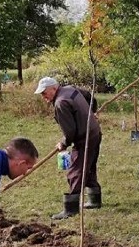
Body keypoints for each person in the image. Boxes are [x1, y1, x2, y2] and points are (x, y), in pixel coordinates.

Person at [34, 76, 102, 220]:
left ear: (54, 88)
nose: (43, 97)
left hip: (85, 138)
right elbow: (89, 96)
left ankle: (70, 209)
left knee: (75, 171)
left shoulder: (61, 103)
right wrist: (92, 112)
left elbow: (70, 132)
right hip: (95, 132)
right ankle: (95, 201)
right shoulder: (70, 89)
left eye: (44, 93)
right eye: (41, 94)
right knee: (89, 167)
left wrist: (63, 143)